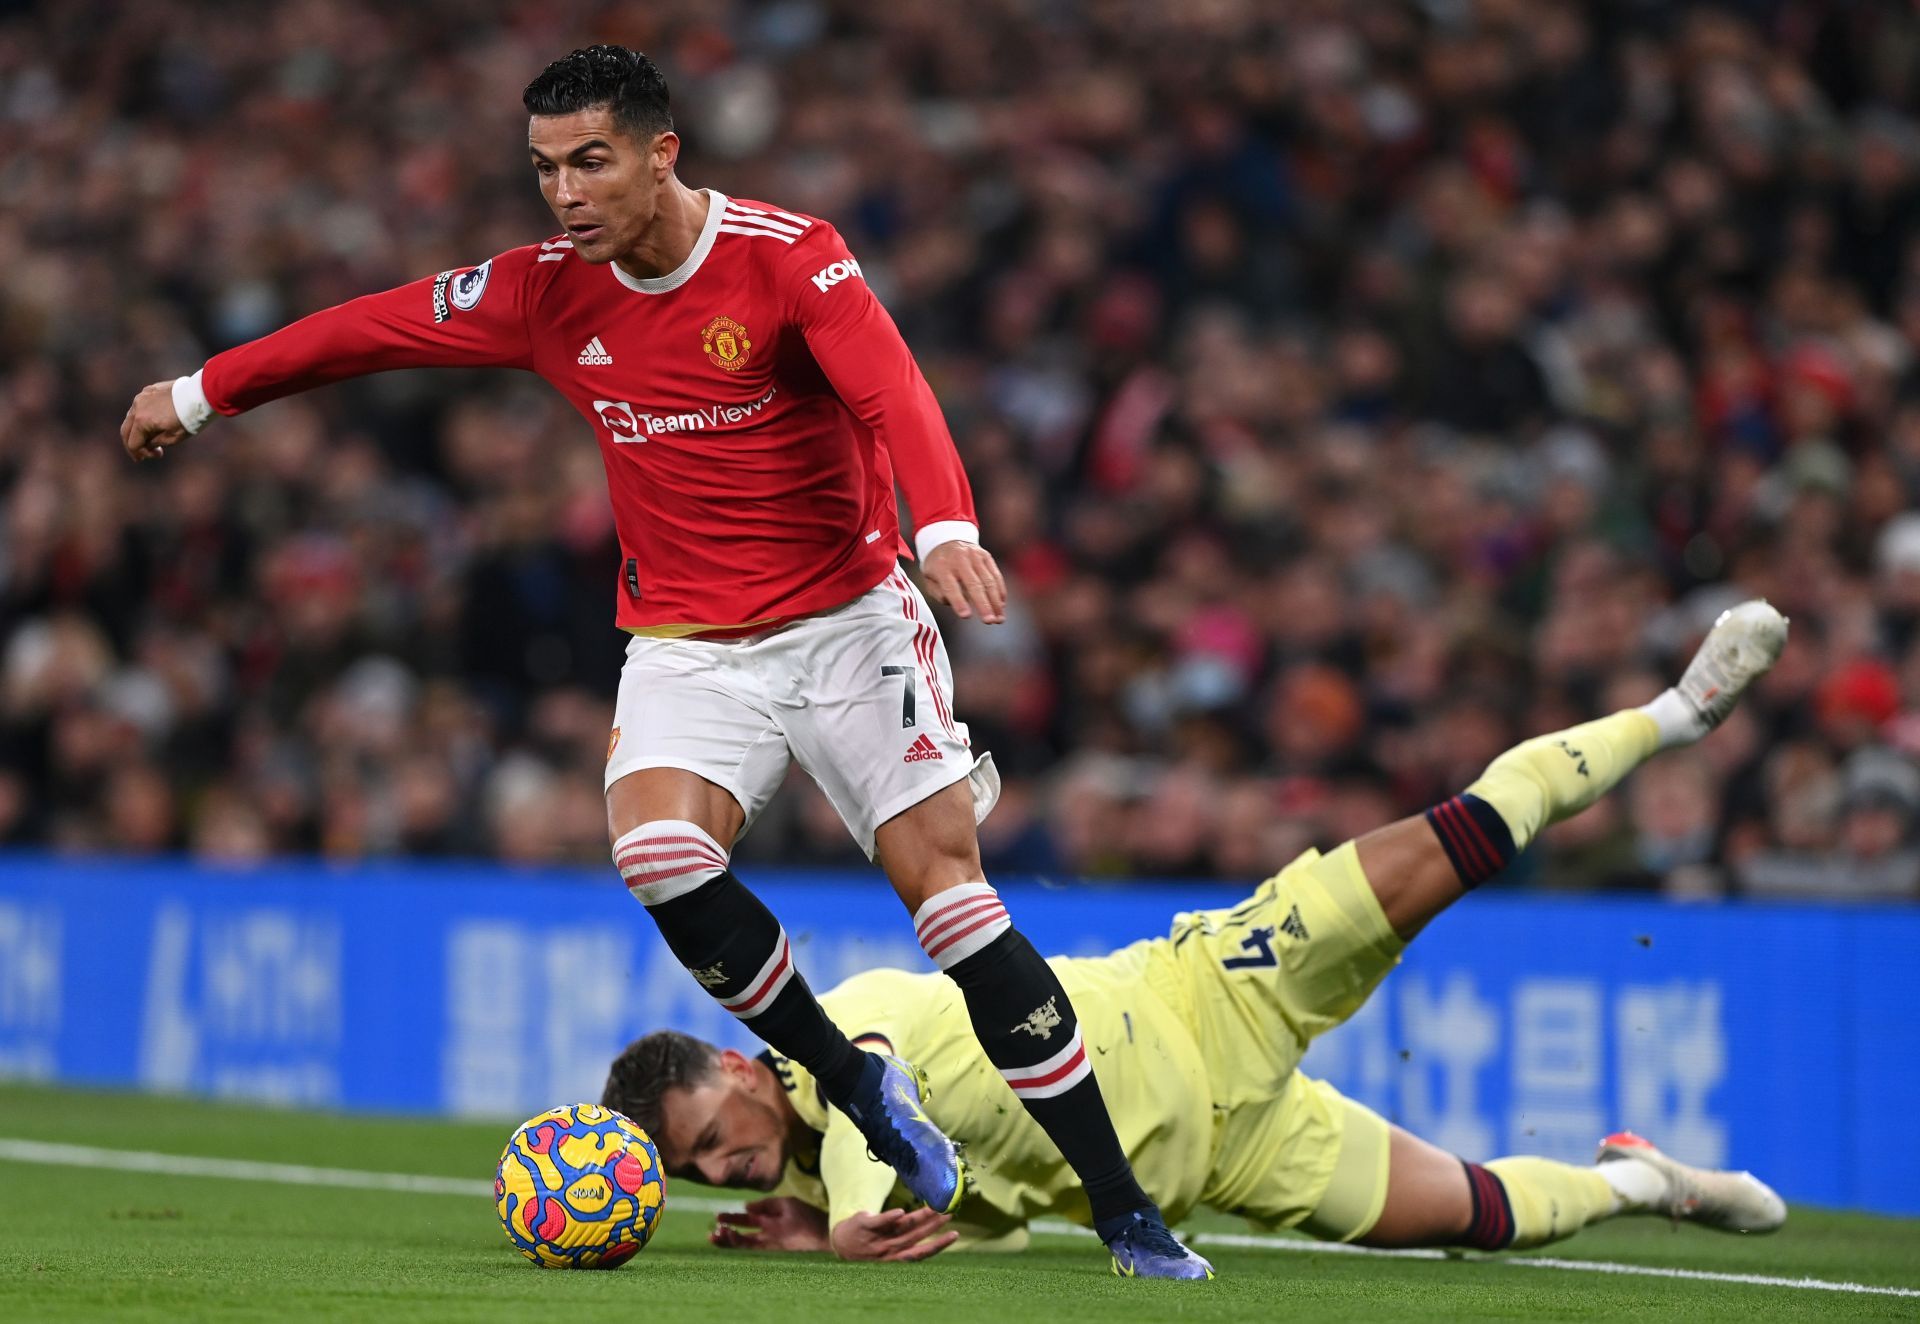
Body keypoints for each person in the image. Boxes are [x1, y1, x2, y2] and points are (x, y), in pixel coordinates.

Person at [116, 44, 1204, 1278]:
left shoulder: (789, 258)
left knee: (950, 903)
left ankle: (1126, 1213)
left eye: (591, 162)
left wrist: (943, 526)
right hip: (687, 639)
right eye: (543, 171)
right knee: (657, 852)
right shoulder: (542, 291)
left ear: (660, 153)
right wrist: (204, 392)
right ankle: (856, 1087)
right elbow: (372, 330)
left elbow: (895, 390)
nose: (566, 194)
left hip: (847, 621)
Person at [603, 603, 1792, 1265]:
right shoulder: (819, 1177)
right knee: (1480, 1216)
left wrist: (855, 1222)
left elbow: (895, 1094)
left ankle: (1674, 713)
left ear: (734, 1063)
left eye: (709, 1134)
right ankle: (1639, 1176)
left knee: (1453, 841)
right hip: (1225, 1159)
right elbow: (996, 1231)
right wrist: (834, 1233)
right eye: (696, 1169)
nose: (721, 1167)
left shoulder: (851, 1048)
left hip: (1211, 991)